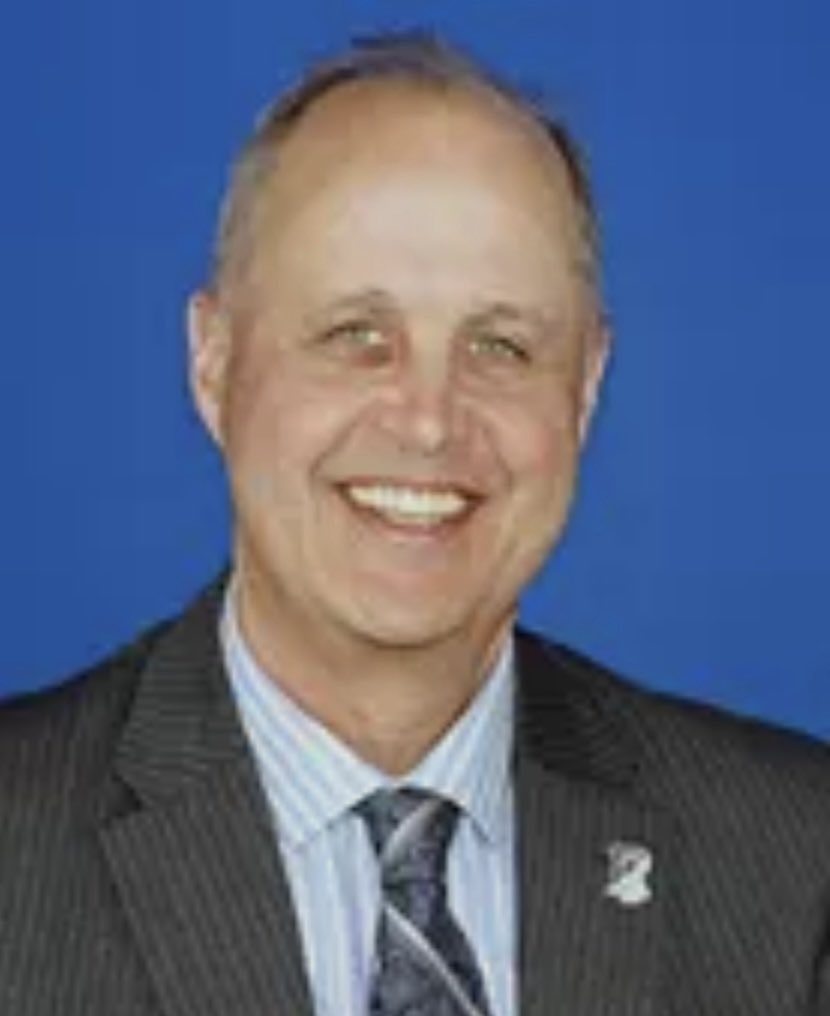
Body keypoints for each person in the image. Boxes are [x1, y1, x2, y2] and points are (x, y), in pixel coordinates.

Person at [1, 31, 828, 1016]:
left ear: (586, 388)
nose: (429, 422)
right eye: (357, 336)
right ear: (213, 361)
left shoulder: (795, 860)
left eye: (500, 346)